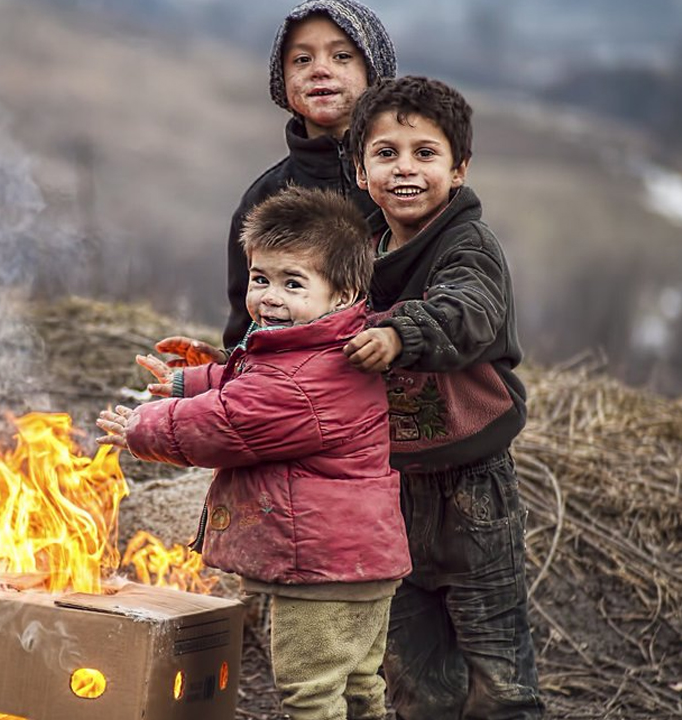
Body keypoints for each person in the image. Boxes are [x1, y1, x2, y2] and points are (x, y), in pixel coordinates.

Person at [97, 186, 411, 720]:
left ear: (342, 294)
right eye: (261, 279)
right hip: (356, 559)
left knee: (310, 695)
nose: (269, 297)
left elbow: (230, 422)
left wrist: (142, 429)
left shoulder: (305, 380)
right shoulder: (317, 348)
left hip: (322, 568)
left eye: (293, 284)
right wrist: (185, 383)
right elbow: (242, 379)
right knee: (359, 687)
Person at [343, 75, 544, 718]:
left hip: (472, 490)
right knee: (415, 681)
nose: (406, 169)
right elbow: (307, 327)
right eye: (387, 153)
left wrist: (403, 332)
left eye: (426, 154)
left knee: (499, 682)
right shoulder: (354, 255)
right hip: (390, 490)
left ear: (458, 170)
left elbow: (468, 312)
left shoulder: (469, 247)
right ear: (358, 169)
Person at [157, 0, 396, 366]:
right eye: (301, 60)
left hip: (410, 386)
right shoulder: (267, 198)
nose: (320, 70)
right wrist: (225, 364)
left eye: (341, 57)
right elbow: (250, 327)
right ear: (281, 83)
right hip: (302, 393)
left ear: (374, 72)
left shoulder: (410, 182)